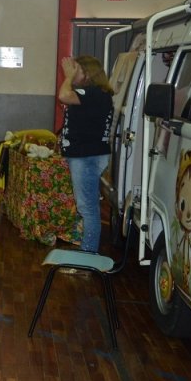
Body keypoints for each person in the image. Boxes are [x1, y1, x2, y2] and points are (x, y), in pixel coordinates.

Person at [57, 55, 113, 253]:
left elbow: (63, 95)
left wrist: (68, 76)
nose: (73, 73)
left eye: (77, 69)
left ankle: (89, 254)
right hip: (86, 155)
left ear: (88, 73)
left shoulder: (93, 92)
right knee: (86, 206)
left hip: (86, 157)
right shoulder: (94, 93)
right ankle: (86, 249)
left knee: (87, 208)